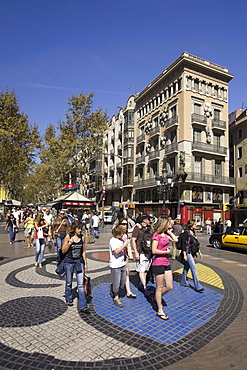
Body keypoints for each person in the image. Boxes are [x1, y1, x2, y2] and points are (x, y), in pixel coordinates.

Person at [152, 217, 177, 320]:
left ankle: (156, 297)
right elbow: (154, 250)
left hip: (166, 263)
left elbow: (175, 240)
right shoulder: (156, 236)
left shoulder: (166, 235)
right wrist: (165, 252)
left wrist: (169, 232)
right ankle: (159, 310)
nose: (170, 224)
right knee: (159, 287)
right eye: (168, 223)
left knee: (170, 286)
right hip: (158, 263)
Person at [61, 221, 89, 313]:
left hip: (79, 262)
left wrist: (85, 263)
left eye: (81, 228)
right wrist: (69, 243)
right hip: (69, 262)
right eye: (78, 228)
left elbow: (83, 250)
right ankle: (68, 298)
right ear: (74, 229)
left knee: (80, 284)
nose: (80, 230)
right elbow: (63, 251)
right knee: (69, 282)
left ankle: (83, 305)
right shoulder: (68, 237)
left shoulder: (82, 237)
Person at [180, 220, 204, 293]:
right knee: (193, 268)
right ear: (191, 225)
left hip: (192, 252)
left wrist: (199, 252)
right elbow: (184, 245)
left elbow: (196, 243)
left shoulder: (193, 232)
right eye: (195, 224)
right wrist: (184, 254)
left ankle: (183, 281)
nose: (196, 225)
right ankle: (197, 286)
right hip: (188, 253)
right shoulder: (186, 233)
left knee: (186, 267)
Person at [132, 214, 153, 293]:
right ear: (143, 220)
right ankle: (144, 286)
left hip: (148, 251)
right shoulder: (137, 228)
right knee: (141, 270)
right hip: (141, 252)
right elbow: (133, 240)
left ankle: (142, 284)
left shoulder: (150, 228)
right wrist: (136, 252)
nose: (149, 221)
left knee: (145, 270)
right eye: (148, 219)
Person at [109, 225, 129, 307]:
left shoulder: (120, 240)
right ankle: (116, 297)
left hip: (122, 263)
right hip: (115, 264)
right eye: (122, 233)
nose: (123, 235)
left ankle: (113, 288)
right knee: (117, 282)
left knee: (123, 281)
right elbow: (116, 251)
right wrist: (124, 245)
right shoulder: (113, 241)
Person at [117, 218, 136, 298]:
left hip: (125, 257)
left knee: (127, 273)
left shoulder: (126, 235)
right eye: (123, 224)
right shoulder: (117, 235)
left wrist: (130, 255)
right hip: (118, 257)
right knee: (118, 275)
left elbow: (128, 246)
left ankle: (128, 291)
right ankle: (116, 291)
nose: (124, 225)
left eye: (125, 224)